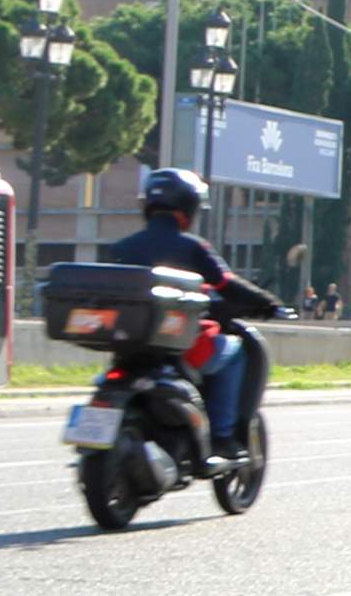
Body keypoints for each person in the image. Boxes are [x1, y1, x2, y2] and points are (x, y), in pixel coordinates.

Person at [106, 169, 283, 458]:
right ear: (189, 206)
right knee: (235, 354)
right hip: (179, 346)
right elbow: (228, 284)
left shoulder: (122, 248)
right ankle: (223, 437)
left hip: (130, 347)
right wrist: (269, 303)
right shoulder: (192, 246)